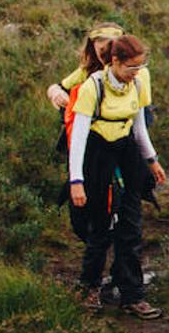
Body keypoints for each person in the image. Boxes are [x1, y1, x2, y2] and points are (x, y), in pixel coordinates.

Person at [67, 33, 168, 319]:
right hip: (97, 158)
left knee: (131, 226)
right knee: (100, 227)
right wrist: (77, 181)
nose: (136, 73)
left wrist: (152, 160)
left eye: (140, 67)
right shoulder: (93, 88)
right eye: (130, 68)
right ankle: (88, 287)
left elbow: (138, 128)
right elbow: (79, 138)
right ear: (114, 62)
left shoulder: (136, 84)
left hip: (126, 153)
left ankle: (132, 294)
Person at [49, 21, 124, 247]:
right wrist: (55, 93)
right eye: (100, 41)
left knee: (111, 200)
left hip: (113, 145)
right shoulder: (86, 72)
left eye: (111, 41)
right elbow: (59, 86)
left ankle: (110, 238)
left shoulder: (128, 72)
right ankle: (94, 237)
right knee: (80, 207)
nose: (106, 46)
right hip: (84, 145)